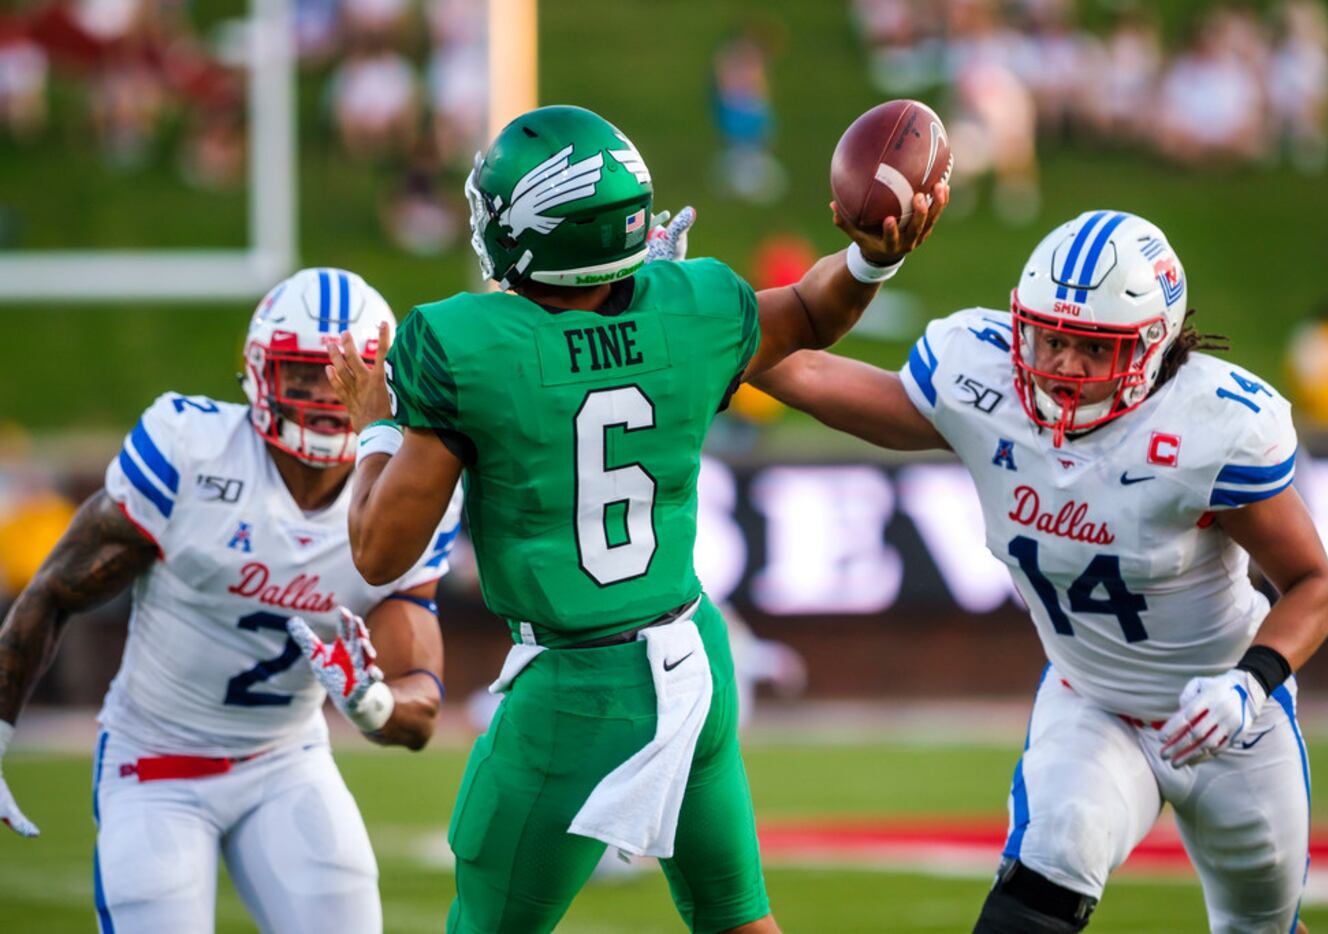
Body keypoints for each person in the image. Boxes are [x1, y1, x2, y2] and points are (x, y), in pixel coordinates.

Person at [324, 103, 946, 934]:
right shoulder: (694, 308)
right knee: (736, 918)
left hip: (575, 691)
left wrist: (375, 422)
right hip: (694, 658)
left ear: (535, 232)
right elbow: (809, 311)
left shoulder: (464, 345)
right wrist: (871, 262)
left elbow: (378, 549)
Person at [752, 210, 1328, 933]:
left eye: (1092, 348)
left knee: (1263, 926)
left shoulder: (1215, 426)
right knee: (1050, 860)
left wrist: (1249, 683)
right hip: (1090, 700)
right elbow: (805, 369)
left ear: (1152, 346)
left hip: (1226, 717)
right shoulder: (983, 380)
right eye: (1050, 336)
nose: (1062, 364)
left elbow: (1314, 585)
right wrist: (697, 327)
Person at [0, 268, 463, 933]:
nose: (330, 393)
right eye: (306, 373)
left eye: (351, 375)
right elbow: (54, 591)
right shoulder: (191, 451)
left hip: (285, 762)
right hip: (153, 760)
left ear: (383, 384)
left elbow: (419, 705)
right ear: (258, 370)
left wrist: (375, 703)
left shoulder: (408, 496)